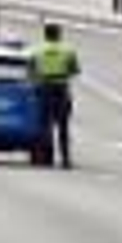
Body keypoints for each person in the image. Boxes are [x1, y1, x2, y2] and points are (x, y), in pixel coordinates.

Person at [29, 22, 81, 169]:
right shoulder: (68, 51)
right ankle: (65, 159)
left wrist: (39, 77)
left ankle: (46, 158)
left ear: (45, 35)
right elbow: (75, 70)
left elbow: (30, 70)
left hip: (43, 89)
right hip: (61, 89)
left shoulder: (37, 51)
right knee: (63, 126)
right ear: (58, 35)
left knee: (44, 125)